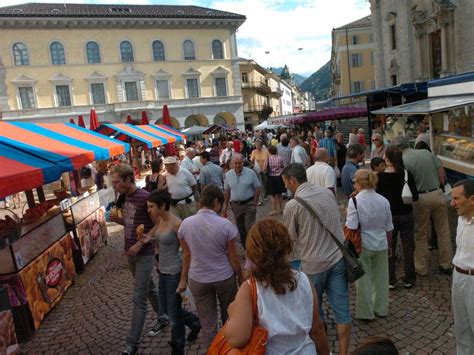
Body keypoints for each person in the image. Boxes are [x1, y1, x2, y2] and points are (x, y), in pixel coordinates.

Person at [221, 219, 330, 355]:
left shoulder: (249, 288)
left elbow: (236, 339)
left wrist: (231, 316)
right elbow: (317, 329)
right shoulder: (303, 279)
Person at [282, 163, 351, 355]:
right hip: (337, 259)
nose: (286, 186)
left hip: (313, 266)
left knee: (314, 315)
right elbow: (337, 220)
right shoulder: (327, 194)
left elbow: (289, 239)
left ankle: (323, 351)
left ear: (293, 180)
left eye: (286, 182)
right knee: (342, 313)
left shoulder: (293, 205)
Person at [177, 186, 243, 348]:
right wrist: (240, 275)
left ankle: (213, 350)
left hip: (198, 279)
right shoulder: (225, 225)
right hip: (224, 277)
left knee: (208, 324)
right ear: (216, 202)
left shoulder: (185, 225)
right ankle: (231, 349)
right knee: (230, 317)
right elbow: (232, 256)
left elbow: (186, 255)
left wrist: (183, 279)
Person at [109, 163, 163, 355]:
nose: (114, 186)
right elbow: (130, 222)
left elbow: (158, 224)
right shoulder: (123, 197)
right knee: (149, 288)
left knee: (139, 297)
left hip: (144, 254)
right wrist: (118, 221)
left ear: (128, 180)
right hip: (129, 252)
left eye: (116, 182)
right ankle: (164, 316)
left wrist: (141, 244)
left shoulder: (145, 197)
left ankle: (132, 343)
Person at [139, 190, 201, 354]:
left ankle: (178, 346)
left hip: (174, 272)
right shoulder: (160, 220)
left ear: (163, 205)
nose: (149, 210)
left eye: (151, 206)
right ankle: (194, 322)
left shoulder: (177, 224)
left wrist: (183, 279)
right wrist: (149, 239)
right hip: (163, 272)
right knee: (167, 309)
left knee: (173, 316)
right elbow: (160, 238)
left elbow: (187, 253)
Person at [392, 137, 453, 276]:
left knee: (420, 233)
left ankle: (421, 267)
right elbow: (441, 173)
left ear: (397, 148)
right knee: (443, 231)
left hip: (420, 199)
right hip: (437, 193)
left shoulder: (403, 161)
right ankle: (446, 263)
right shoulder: (426, 153)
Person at [346, 169, 393, 321]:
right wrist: (390, 245)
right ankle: (381, 308)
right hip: (381, 242)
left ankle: (366, 312)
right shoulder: (383, 200)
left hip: (363, 243)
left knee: (363, 280)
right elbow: (388, 227)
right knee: (381, 278)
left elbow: (351, 226)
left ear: (359, 184)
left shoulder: (355, 201)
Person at [376, 146, 418, 289]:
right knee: (408, 248)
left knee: (390, 248)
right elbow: (415, 197)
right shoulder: (407, 174)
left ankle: (390, 279)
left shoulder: (380, 177)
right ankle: (409, 278)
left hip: (388, 217)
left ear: (386, 159)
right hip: (406, 215)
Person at [450, 179, 474, 355]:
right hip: (458, 276)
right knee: (462, 331)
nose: (452, 203)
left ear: (472, 199)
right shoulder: (461, 218)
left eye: (457, 199)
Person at [223, 154, 261, 248]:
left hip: (249, 203)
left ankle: (253, 246)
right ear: (231, 164)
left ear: (243, 163)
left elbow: (257, 188)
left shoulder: (250, 173)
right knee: (241, 228)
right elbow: (227, 190)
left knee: (249, 227)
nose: (237, 165)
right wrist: (226, 204)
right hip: (236, 205)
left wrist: (254, 203)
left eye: (239, 163)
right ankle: (246, 247)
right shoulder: (228, 175)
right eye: (235, 163)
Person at [263, 145, 285, 215]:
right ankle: (281, 209)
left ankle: (274, 210)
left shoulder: (268, 159)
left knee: (273, 195)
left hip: (271, 177)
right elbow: (282, 166)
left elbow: (264, 169)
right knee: (279, 194)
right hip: (279, 177)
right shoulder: (280, 158)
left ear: (269, 151)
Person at [250, 140, 270, 205]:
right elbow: (251, 161)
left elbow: (269, 159)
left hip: (265, 170)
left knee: (266, 183)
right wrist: (253, 165)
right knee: (260, 184)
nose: (257, 146)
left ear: (261, 145)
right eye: (256, 145)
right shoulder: (254, 152)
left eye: (258, 145)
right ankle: (262, 197)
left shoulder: (265, 151)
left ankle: (265, 195)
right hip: (257, 170)